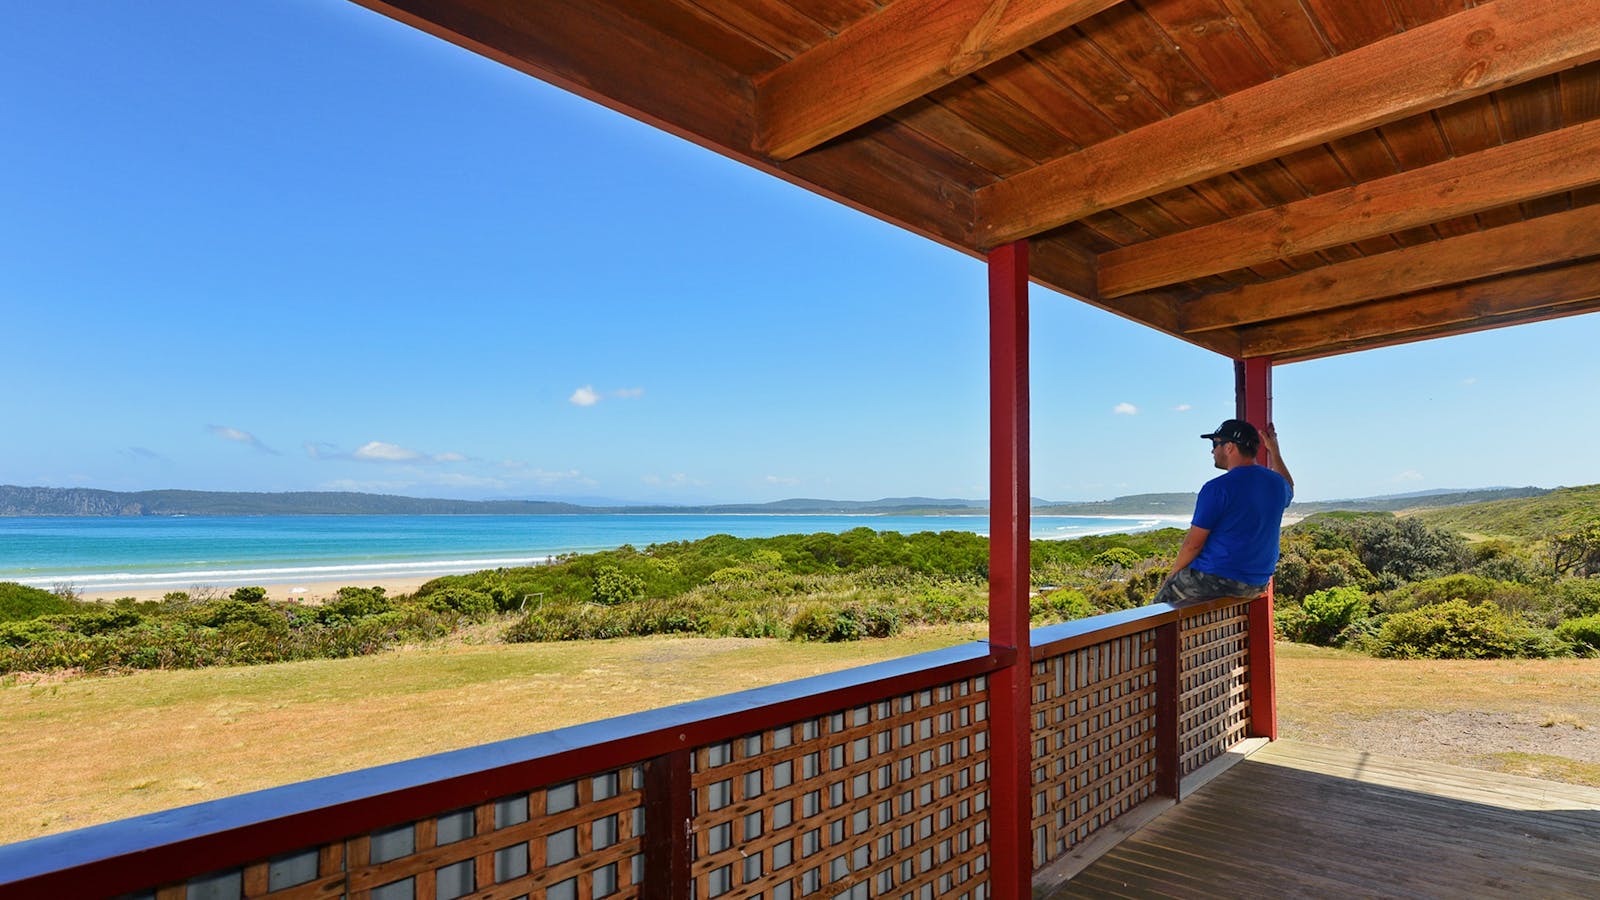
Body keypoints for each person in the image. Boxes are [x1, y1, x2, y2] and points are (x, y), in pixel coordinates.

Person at [1154, 418, 1294, 606]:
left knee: (1160, 607)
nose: (1212, 450)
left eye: (1215, 443)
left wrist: (1172, 577)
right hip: (1258, 583)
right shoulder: (1277, 484)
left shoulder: (1218, 488)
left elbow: (1192, 546)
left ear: (1229, 447)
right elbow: (1289, 486)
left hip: (1220, 579)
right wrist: (1274, 451)